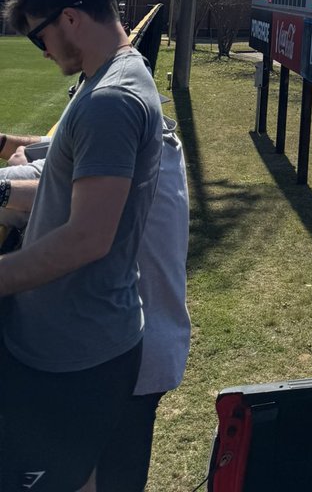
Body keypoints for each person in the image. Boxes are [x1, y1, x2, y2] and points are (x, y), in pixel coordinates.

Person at [1, 0, 164, 492]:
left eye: (38, 38)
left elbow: (88, 237)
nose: (43, 52)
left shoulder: (110, 100)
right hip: (81, 344)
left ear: (70, 19)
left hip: (72, 355)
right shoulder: (114, 76)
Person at [0, 106, 191, 491]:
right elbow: (48, 150)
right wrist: (8, 145)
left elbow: (50, 186)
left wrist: (6, 186)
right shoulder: (137, 118)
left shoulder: (114, 121)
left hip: (116, 358)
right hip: (135, 349)